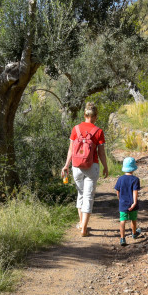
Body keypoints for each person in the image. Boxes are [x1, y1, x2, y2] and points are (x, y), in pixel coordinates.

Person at [61, 102, 108, 237]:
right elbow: (101, 153)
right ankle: (83, 229)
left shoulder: (75, 129)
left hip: (76, 166)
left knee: (80, 194)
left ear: (85, 115)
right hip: (92, 166)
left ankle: (81, 223)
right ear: (95, 116)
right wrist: (105, 166)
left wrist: (66, 165)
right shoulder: (98, 131)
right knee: (89, 197)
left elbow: (70, 149)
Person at [114, 156, 143, 247]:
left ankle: (122, 238)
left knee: (122, 220)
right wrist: (134, 202)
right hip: (132, 204)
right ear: (133, 168)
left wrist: (120, 199)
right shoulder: (135, 179)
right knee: (133, 220)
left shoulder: (120, 179)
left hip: (123, 203)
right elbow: (135, 192)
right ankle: (134, 233)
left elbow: (117, 191)